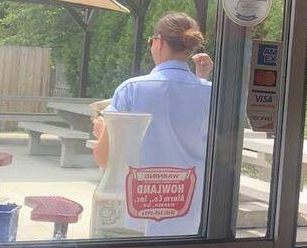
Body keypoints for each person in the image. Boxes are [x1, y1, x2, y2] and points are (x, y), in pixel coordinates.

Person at [92, 12, 215, 236]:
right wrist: (202, 79)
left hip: (138, 221)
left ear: (158, 42)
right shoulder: (211, 92)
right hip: (193, 217)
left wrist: (103, 132)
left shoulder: (131, 89)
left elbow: (104, 158)